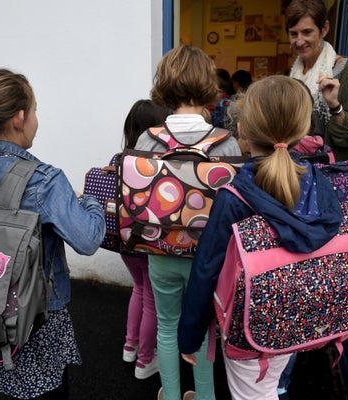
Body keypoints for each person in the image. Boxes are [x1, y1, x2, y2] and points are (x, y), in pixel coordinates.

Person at [178, 75, 343, 400]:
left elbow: (206, 269)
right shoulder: (319, 182)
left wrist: (189, 335)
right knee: (269, 383)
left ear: (242, 129)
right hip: (298, 315)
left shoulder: (234, 197)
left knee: (250, 394)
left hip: (248, 327)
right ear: (301, 131)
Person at [0, 68, 106, 400]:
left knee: (8, 386)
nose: (36, 118)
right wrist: (90, 200)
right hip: (37, 316)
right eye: (35, 110)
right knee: (47, 390)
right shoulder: (44, 180)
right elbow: (88, 239)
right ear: (19, 118)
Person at [134, 45, 242, 400]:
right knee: (206, 331)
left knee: (167, 325)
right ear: (206, 84)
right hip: (209, 261)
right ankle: (206, 395)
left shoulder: (146, 140)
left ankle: (171, 390)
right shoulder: (226, 144)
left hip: (159, 248)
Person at [120, 99, 169, 380]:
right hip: (150, 242)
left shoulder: (120, 159)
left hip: (125, 242)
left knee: (138, 289)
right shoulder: (157, 166)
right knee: (151, 300)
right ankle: (145, 361)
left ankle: (130, 345)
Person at [286, 0, 348, 161]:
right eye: (293, 33)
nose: (299, 41)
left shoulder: (344, 69)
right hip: (295, 167)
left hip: (327, 172)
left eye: (307, 32)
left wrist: (334, 105)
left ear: (324, 29)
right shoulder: (291, 74)